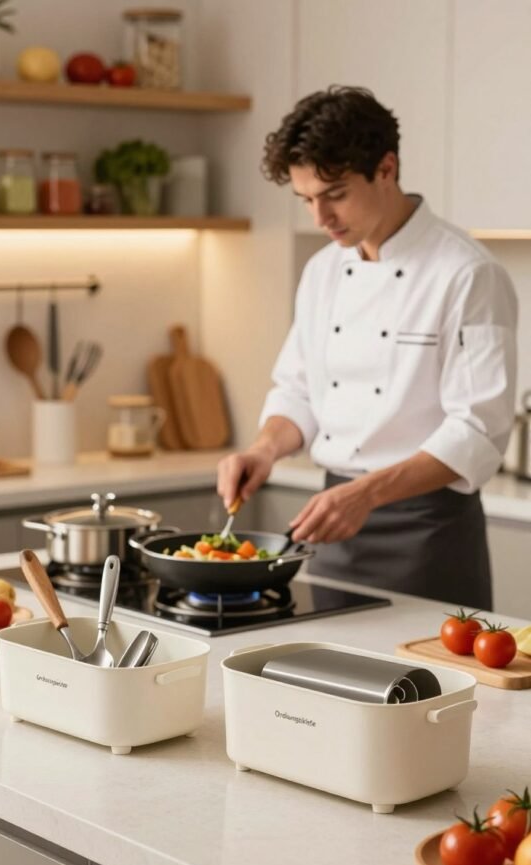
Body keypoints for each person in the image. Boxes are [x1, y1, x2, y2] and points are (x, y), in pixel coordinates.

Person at [217, 86, 517, 609]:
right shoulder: (323, 270)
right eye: (307, 199)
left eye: (334, 194)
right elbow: (299, 391)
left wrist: (368, 493)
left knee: (431, 689)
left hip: (427, 535)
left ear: (386, 167)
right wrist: (263, 450)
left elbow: (479, 431)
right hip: (333, 527)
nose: (320, 218)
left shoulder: (467, 273)